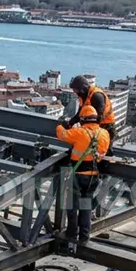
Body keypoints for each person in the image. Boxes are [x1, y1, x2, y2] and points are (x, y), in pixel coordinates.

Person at [56, 104, 111, 252]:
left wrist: (62, 125)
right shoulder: (104, 134)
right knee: (86, 206)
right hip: (93, 177)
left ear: (83, 119)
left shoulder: (79, 132)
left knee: (72, 206)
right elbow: (104, 151)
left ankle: (71, 234)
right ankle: (84, 236)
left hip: (77, 176)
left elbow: (62, 135)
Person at [69, 75, 116, 151]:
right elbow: (80, 114)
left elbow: (98, 118)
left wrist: (86, 131)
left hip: (106, 125)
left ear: (82, 89)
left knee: (103, 149)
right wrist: (70, 123)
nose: (74, 92)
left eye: (75, 89)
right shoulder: (83, 96)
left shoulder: (97, 96)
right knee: (83, 145)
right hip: (91, 125)